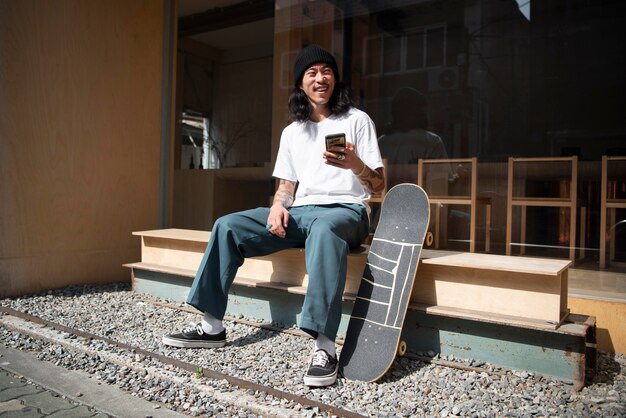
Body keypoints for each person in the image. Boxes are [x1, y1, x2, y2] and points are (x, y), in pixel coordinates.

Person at [162, 44, 385, 388]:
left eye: (326, 71)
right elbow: (286, 185)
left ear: (335, 79)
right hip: (301, 212)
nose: (320, 77)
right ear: (300, 84)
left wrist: (355, 165)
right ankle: (211, 326)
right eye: (311, 73)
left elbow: (380, 185)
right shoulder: (293, 132)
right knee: (228, 225)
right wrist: (280, 205)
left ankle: (324, 347)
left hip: (347, 211)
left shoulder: (357, 120)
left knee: (325, 229)